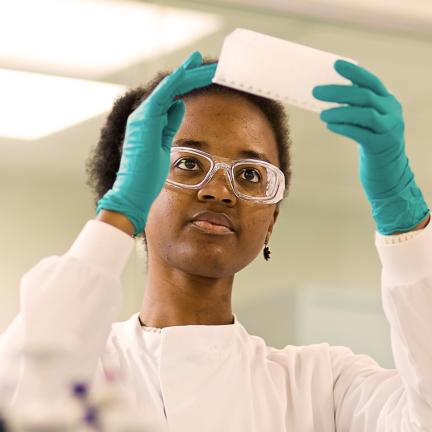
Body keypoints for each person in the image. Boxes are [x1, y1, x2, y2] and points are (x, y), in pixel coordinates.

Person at [0, 50, 431, 431]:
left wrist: (404, 222)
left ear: (272, 218)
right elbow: (17, 398)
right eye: (187, 163)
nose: (218, 191)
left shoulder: (323, 387)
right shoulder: (88, 368)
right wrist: (116, 215)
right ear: (138, 182)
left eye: (249, 175)